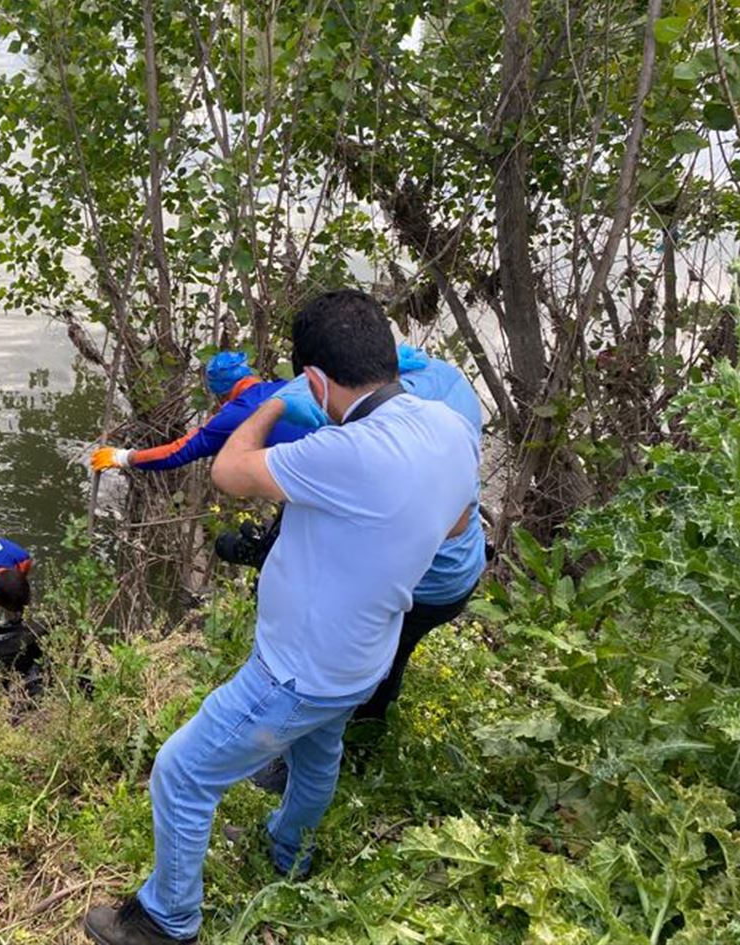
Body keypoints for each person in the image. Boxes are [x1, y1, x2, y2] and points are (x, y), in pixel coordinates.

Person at [82, 290, 480, 945]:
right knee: (319, 752)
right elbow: (461, 518)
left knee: (183, 772)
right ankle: (288, 851)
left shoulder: (345, 455)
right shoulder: (449, 430)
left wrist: (269, 399)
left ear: (317, 380)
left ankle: (167, 919)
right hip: (364, 655)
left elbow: (231, 472)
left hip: (296, 670)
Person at [227, 345, 488, 736]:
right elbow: (457, 520)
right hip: (460, 571)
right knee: (390, 654)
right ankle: (356, 732)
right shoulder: (448, 391)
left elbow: (232, 472)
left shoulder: (375, 435)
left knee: (361, 661)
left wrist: (276, 406)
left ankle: (348, 736)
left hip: (421, 583)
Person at [88, 351, 311, 473]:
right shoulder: (287, 386)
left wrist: (122, 457)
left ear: (220, 393)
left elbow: (177, 452)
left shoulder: (234, 417)